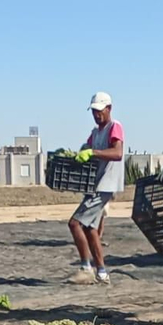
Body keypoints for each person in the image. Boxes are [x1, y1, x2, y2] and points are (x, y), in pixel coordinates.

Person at [67, 92, 125, 284]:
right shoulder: (95, 132)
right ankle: (101, 272)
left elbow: (117, 153)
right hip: (96, 184)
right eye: (93, 111)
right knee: (91, 228)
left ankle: (86, 268)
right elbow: (88, 148)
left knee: (75, 223)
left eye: (99, 111)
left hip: (105, 185)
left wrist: (93, 152)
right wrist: (83, 151)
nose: (96, 114)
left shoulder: (114, 127)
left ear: (109, 109)